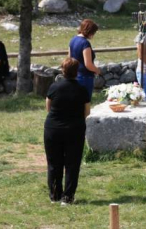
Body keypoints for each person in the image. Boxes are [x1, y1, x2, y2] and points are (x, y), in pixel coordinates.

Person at [44, 57, 90, 205]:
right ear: (77, 72)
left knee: (54, 163)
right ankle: (68, 197)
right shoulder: (82, 90)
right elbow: (86, 113)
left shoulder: (54, 87)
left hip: (53, 129)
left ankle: (55, 195)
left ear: (63, 70)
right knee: (72, 164)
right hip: (74, 129)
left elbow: (48, 108)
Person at [68, 19, 101, 101]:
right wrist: (97, 70)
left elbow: (69, 58)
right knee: (84, 102)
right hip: (85, 77)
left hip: (74, 75)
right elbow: (88, 64)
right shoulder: (85, 43)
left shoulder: (72, 40)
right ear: (90, 32)